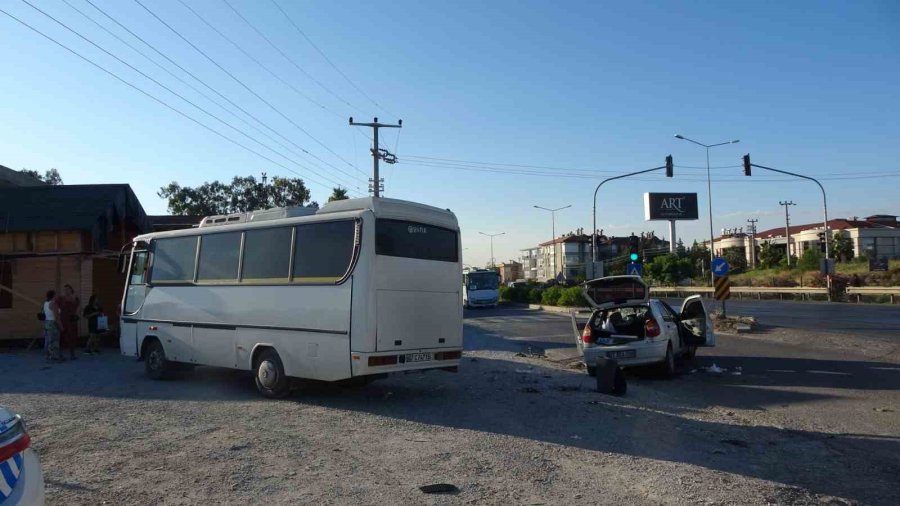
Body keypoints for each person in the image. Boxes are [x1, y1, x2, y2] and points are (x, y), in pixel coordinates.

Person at [59, 284, 81, 360]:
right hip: (63, 319)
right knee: (62, 337)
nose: (66, 291)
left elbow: (77, 307)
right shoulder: (61, 298)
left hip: (72, 320)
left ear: (71, 290)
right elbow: (56, 307)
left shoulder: (75, 298)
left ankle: (72, 354)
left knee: (72, 337)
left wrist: (76, 316)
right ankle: (60, 354)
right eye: (65, 289)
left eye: (68, 289)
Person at [43, 290, 63, 361]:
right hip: (53, 323)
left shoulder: (45, 303)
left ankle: (48, 355)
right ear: (53, 296)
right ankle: (54, 356)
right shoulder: (54, 304)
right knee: (54, 341)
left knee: (48, 340)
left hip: (47, 322)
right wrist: (61, 326)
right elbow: (56, 316)